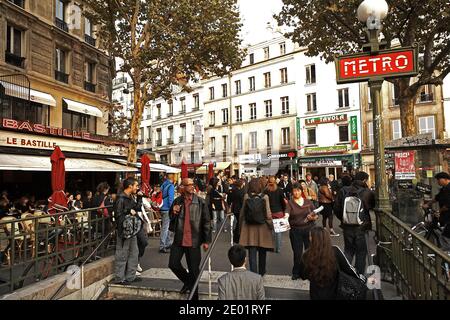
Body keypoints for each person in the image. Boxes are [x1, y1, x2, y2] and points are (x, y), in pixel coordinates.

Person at [168, 178, 211, 300]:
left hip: (194, 240)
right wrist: (173, 211)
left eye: (193, 184)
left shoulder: (201, 202)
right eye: (189, 185)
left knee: (194, 270)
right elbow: (171, 219)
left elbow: (207, 222)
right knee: (173, 264)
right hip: (179, 239)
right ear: (183, 187)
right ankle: (188, 282)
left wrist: (207, 240)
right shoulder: (178, 201)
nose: (192, 186)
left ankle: (194, 297)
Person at [299, 226, 365, 300]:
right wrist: (360, 277)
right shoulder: (335, 251)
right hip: (334, 292)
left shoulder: (306, 255)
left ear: (312, 239)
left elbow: (303, 275)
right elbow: (348, 269)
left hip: (315, 294)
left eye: (310, 236)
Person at [334, 171, 375, 275]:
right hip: (362, 227)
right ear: (364, 180)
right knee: (361, 253)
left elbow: (337, 208)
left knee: (348, 250)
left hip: (347, 227)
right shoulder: (367, 192)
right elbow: (372, 206)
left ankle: (345, 274)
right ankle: (359, 276)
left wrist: (345, 219)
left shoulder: (343, 190)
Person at [239, 178, 274, 276]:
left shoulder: (247, 196)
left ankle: (253, 274)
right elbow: (268, 214)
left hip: (249, 228)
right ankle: (262, 272)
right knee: (262, 251)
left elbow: (242, 213)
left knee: (252, 252)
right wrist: (271, 225)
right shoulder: (265, 197)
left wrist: (240, 226)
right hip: (263, 227)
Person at [285, 183, 318, 280]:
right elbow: (287, 213)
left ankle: (309, 272)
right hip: (295, 231)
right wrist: (285, 217)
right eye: (294, 191)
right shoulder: (290, 203)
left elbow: (316, 214)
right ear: (292, 192)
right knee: (297, 253)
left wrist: (312, 217)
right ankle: (296, 272)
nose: (296, 193)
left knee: (310, 251)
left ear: (301, 191)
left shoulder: (308, 202)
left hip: (309, 229)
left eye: (298, 190)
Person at [112, 177, 141, 284]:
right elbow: (118, 214)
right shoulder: (121, 199)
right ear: (130, 186)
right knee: (122, 254)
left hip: (132, 230)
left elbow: (137, 208)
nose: (137, 188)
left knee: (134, 252)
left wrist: (139, 198)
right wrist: (129, 211)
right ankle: (119, 278)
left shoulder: (130, 197)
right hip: (124, 231)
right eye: (136, 186)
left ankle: (131, 276)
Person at [423, 172, 450, 248]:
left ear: (445, 179)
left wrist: (439, 211)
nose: (437, 181)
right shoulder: (443, 189)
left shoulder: (449, 189)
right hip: (445, 217)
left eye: (439, 179)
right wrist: (428, 204)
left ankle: (446, 256)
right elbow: (437, 198)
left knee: (445, 237)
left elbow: (448, 205)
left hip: (448, 217)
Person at [265, 176, 287, 253]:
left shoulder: (266, 191)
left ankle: (271, 247)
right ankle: (278, 248)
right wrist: (284, 211)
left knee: (270, 231)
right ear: (275, 182)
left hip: (269, 213)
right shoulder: (279, 190)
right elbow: (283, 202)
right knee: (279, 231)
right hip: (279, 212)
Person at [160, 173, 175, 253]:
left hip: (162, 208)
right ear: (172, 177)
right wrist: (172, 208)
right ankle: (163, 245)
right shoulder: (171, 186)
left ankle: (168, 243)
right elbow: (171, 199)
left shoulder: (163, 185)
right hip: (167, 209)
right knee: (166, 227)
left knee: (166, 227)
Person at [229, 179, 246, 244]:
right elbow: (242, 201)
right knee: (239, 223)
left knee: (238, 222)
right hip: (240, 209)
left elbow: (229, 199)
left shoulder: (232, 190)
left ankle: (236, 236)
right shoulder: (242, 192)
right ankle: (237, 237)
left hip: (234, 208)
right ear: (241, 184)